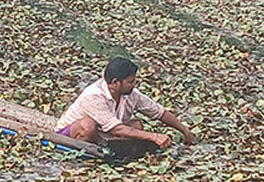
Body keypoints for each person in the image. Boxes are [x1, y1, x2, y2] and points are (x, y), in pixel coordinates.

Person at [56, 57, 196, 149]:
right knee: (88, 125)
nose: (134, 85)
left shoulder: (131, 94)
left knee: (137, 124)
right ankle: (83, 157)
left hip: (103, 132)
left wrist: (185, 131)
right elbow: (117, 129)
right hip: (68, 132)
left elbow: (159, 112)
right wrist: (154, 136)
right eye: (130, 82)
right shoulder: (93, 95)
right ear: (115, 82)